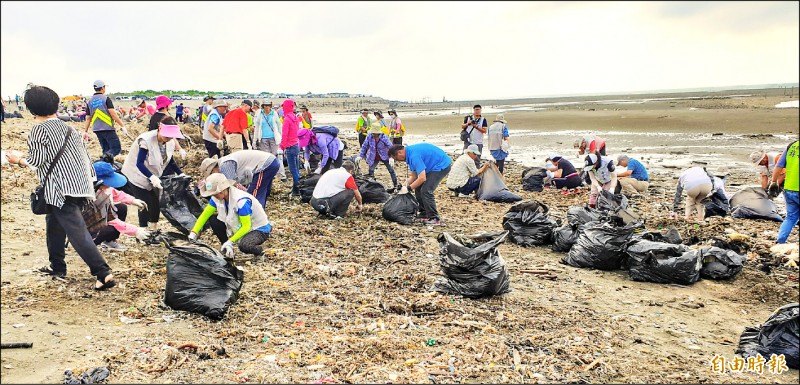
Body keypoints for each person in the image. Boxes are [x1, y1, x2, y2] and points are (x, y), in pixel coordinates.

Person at [5, 86, 116, 290]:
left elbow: (36, 161)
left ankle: (103, 273)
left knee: (77, 231)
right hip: (80, 185)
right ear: (56, 104)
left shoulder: (39, 129)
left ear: (31, 109)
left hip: (61, 189)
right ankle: (57, 266)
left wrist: (16, 159)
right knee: (54, 224)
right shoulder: (69, 127)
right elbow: (84, 156)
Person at [120, 117, 185, 231]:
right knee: (144, 203)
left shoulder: (169, 142)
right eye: (166, 135)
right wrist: (152, 177)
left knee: (155, 203)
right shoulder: (146, 140)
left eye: (171, 136)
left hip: (153, 175)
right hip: (136, 174)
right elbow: (139, 163)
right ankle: (143, 233)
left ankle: (153, 230)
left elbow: (170, 160)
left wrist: (180, 174)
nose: (168, 138)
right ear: (160, 127)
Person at [189, 173, 273, 263]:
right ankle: (226, 248)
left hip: (258, 229)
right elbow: (205, 215)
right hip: (238, 226)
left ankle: (259, 252)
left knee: (245, 245)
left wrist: (231, 241)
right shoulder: (216, 198)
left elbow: (246, 226)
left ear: (224, 189)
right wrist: (194, 232)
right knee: (214, 220)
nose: (214, 196)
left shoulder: (241, 201)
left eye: (216, 193)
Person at [90, 161, 151, 251]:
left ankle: (109, 241)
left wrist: (133, 200)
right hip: (87, 229)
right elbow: (110, 219)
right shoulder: (91, 196)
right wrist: (135, 230)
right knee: (110, 228)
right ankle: (90, 246)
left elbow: (116, 194)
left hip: (100, 219)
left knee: (122, 208)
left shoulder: (103, 188)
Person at [389, 143, 452, 225]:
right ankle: (424, 213)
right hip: (431, 166)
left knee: (426, 191)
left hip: (441, 165)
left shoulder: (414, 156)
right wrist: (404, 186)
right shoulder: (409, 154)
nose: (398, 161)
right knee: (418, 188)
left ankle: (434, 218)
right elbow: (414, 176)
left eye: (396, 158)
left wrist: (408, 189)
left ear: (399, 152)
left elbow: (422, 178)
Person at [199, 150, 280, 208]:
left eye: (211, 173)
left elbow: (233, 185)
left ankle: (255, 216)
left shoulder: (224, 166)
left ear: (213, 169)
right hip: (271, 161)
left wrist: (246, 194)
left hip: (265, 165)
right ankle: (261, 214)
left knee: (253, 197)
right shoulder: (225, 162)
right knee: (261, 191)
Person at [83, 80, 128, 157]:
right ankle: (103, 159)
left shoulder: (90, 102)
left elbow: (88, 118)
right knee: (116, 149)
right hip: (107, 128)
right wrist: (122, 126)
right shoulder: (106, 99)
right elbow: (113, 114)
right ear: (103, 88)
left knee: (106, 150)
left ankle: (106, 166)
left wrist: (85, 131)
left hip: (97, 129)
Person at [770, 140, 798, 244]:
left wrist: (773, 182)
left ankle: (780, 241)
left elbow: (779, 166)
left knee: (790, 218)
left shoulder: (792, 146)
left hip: (789, 189)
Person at [253, 100, 286, 181]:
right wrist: (255, 140)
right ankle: (271, 175)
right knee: (266, 158)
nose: (267, 107)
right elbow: (256, 128)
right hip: (263, 139)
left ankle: (282, 175)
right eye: (265, 106)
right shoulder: (259, 114)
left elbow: (279, 126)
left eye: (268, 106)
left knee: (277, 157)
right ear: (263, 106)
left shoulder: (274, 113)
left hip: (274, 138)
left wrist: (281, 138)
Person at [148, 96, 187, 160]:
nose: (170, 105)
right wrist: (180, 149)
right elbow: (171, 136)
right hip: (162, 146)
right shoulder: (166, 119)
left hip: (153, 145)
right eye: (169, 103)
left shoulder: (153, 116)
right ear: (166, 106)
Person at [279, 99, 302, 198]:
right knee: (296, 169)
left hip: (290, 146)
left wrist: (281, 147)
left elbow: (285, 135)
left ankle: (297, 190)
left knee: (293, 170)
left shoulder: (287, 119)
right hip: (296, 145)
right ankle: (297, 188)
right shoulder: (295, 118)